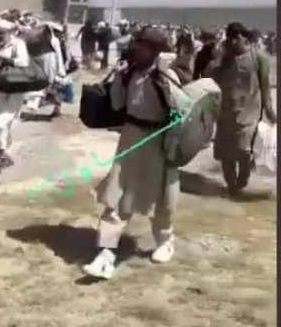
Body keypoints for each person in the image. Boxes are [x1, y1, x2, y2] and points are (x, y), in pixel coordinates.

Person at [82, 28, 183, 280]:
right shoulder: (131, 73)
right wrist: (118, 77)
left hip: (158, 141)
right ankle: (106, 253)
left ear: (155, 50)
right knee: (116, 195)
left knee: (162, 197)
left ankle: (165, 240)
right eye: (136, 46)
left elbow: (180, 115)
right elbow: (117, 105)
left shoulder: (167, 76)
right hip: (131, 138)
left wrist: (171, 146)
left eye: (142, 47)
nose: (136, 50)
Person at [208, 22, 276, 196]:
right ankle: (231, 187)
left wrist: (269, 111)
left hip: (249, 114)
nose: (231, 43)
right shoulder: (224, 59)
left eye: (234, 39)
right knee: (225, 154)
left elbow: (265, 87)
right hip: (225, 113)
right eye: (229, 40)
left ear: (241, 38)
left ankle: (243, 179)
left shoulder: (259, 58)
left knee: (244, 151)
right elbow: (209, 77)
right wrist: (218, 56)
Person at [0, 20, 29, 176]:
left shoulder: (18, 45)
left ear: (10, 33)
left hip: (13, 89)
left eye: (2, 33)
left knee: (0, 123)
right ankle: (2, 152)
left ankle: (1, 154)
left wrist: (0, 58)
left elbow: (23, 62)